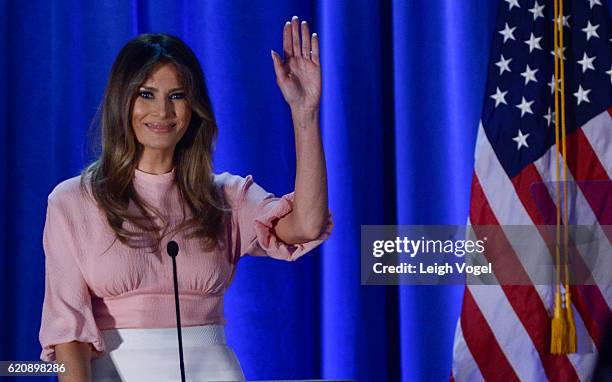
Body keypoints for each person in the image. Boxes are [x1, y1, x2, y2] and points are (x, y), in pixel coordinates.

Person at [39, 16, 331, 382]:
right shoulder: (72, 202)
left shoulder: (225, 196)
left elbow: (306, 225)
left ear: (194, 108)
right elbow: (68, 335)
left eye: (177, 96)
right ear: (122, 101)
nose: (162, 112)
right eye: (146, 94)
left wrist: (305, 114)